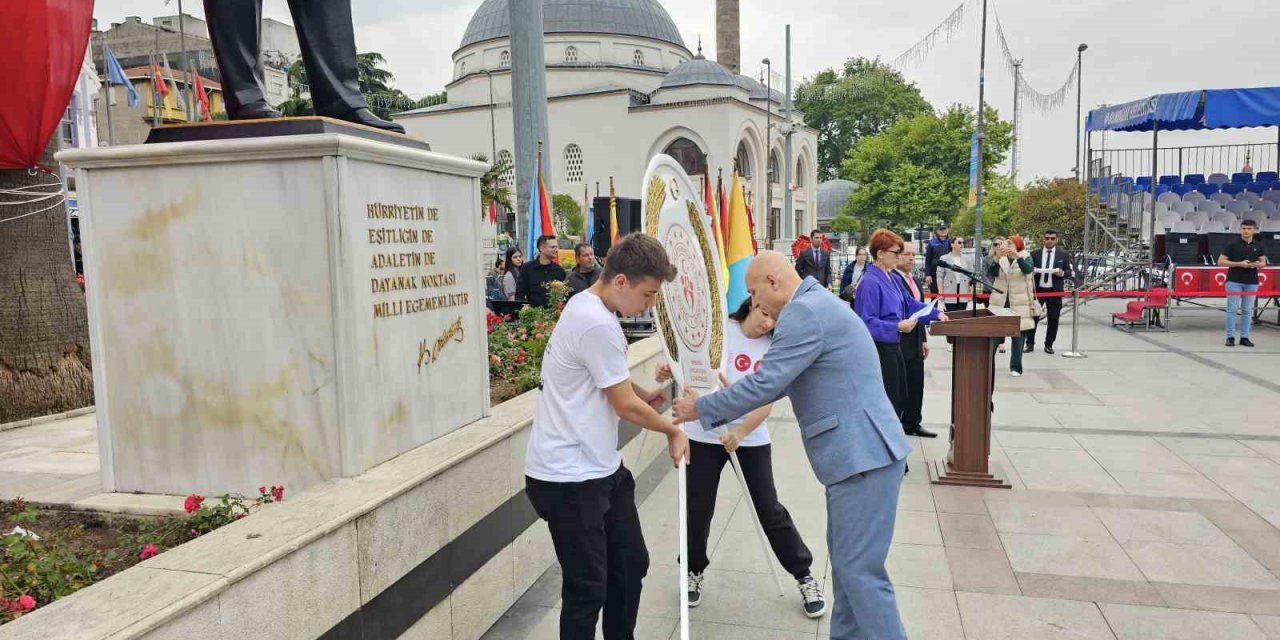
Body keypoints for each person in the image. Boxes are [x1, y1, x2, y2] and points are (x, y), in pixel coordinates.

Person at [672, 250, 915, 640]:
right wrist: (724, 398)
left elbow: (767, 382)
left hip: (862, 456)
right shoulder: (816, 305)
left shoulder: (803, 313)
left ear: (772, 281)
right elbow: (778, 383)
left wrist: (699, 408)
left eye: (754, 292)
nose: (753, 302)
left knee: (860, 575)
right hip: (860, 456)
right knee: (848, 571)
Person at [524, 233, 689, 640]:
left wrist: (643, 393)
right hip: (567, 478)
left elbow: (609, 380)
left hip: (600, 469)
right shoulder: (597, 322)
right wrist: (671, 429)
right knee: (587, 588)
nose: (649, 305)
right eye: (648, 294)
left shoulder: (589, 305)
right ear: (620, 281)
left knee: (630, 564)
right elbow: (624, 407)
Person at [655, 298, 826, 618]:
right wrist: (669, 368)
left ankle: (804, 575)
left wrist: (741, 432)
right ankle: (692, 570)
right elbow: (688, 362)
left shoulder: (775, 347)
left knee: (769, 509)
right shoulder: (721, 331)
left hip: (750, 438)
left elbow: (767, 399)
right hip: (703, 434)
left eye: (775, 319)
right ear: (753, 304)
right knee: (697, 507)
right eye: (765, 313)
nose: (767, 323)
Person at [855, 229, 944, 435]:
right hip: (879, 350)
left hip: (893, 348)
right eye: (896, 252)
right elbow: (866, 323)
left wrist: (936, 313)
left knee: (899, 398)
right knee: (887, 402)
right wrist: (896, 327)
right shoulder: (870, 282)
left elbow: (909, 304)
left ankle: (894, 443)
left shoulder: (891, 277)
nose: (899, 257)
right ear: (880, 254)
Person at [893, 244, 936, 439]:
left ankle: (912, 423)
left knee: (916, 383)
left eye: (913, 254)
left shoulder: (915, 280)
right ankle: (897, 424)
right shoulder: (893, 280)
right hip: (900, 338)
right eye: (906, 254)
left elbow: (921, 311)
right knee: (900, 386)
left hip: (916, 339)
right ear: (897, 256)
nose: (911, 258)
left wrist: (924, 339)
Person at [988, 235, 1039, 377]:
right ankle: (988, 363)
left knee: (1018, 337)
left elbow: (1028, 270)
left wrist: (1017, 256)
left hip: (1019, 303)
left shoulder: (1026, 256)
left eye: (1010, 243)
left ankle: (1016, 367)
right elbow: (992, 273)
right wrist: (997, 258)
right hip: (1001, 302)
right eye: (1006, 243)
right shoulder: (1002, 258)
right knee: (995, 335)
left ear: (1017, 245)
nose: (1006, 246)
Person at [1219, 219, 1268, 347]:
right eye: (1244, 228)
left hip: (1252, 281)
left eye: (1249, 228)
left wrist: (1258, 264)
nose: (1246, 231)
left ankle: (1244, 337)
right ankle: (1230, 337)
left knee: (1247, 310)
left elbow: (1263, 262)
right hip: (1234, 280)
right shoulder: (1232, 244)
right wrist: (1239, 264)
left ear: (1254, 230)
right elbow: (1221, 261)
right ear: (1240, 229)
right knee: (1232, 309)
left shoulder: (1259, 245)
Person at [1027, 229, 1073, 354]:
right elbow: (1028, 269)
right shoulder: (1035, 254)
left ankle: (1049, 344)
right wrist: (1031, 271)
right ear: (1043, 239)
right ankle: (1029, 344)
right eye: (1047, 238)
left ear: (1056, 240)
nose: (1049, 241)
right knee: (1033, 317)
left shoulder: (1063, 255)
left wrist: (1062, 273)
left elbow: (1069, 271)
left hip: (1055, 291)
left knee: (1053, 319)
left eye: (1052, 238)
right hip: (1038, 291)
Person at [938, 236, 972, 351]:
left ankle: (960, 340)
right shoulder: (944, 258)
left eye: (963, 242)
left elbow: (970, 276)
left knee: (962, 317)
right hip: (949, 290)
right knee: (950, 316)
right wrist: (941, 293)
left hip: (963, 290)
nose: (962, 244)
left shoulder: (967, 258)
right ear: (952, 244)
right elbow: (939, 276)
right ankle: (951, 342)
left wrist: (969, 292)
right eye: (959, 242)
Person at [516, 235, 567, 308]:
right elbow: (519, 294)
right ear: (542, 248)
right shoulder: (527, 268)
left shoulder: (559, 270)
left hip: (553, 313)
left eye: (557, 247)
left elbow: (564, 295)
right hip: (533, 313)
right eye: (552, 247)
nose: (556, 250)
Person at [923, 222, 952, 296]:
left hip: (949, 274)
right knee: (935, 297)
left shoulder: (952, 241)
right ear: (937, 231)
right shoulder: (932, 243)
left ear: (947, 229)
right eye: (941, 229)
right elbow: (928, 260)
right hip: (935, 274)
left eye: (944, 228)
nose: (943, 231)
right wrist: (927, 274)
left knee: (949, 298)